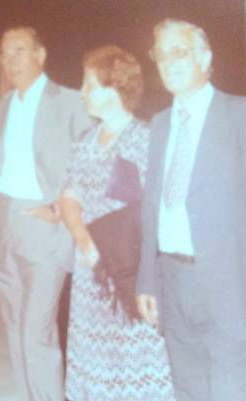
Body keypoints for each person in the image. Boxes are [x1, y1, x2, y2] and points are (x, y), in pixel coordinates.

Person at [137, 18, 246, 401]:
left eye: (178, 52)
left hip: (229, 284)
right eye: (160, 55)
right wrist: (147, 279)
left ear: (205, 58)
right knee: (187, 388)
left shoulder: (239, 116)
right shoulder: (161, 124)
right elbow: (151, 206)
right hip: (172, 281)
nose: (168, 62)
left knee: (230, 389)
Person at [0, 26, 91, 401]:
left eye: (19, 51)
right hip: (4, 220)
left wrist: (61, 207)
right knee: (14, 327)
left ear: (40, 55)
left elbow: (92, 163)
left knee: (36, 332)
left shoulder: (71, 102)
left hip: (45, 225)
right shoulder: (4, 104)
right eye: (4, 53)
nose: (10, 60)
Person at [59, 45, 175, 401]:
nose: (82, 93)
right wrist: (85, 241)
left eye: (90, 85)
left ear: (116, 88)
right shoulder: (84, 141)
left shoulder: (146, 138)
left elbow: (156, 209)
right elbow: (69, 198)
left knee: (135, 356)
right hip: (90, 269)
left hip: (129, 269)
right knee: (93, 359)